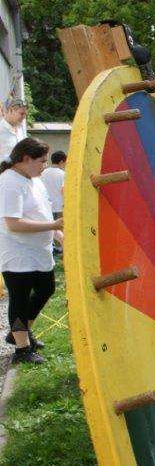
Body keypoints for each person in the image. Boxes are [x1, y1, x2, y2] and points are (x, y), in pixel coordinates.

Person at [0, 138, 63, 364]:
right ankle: (22, 348)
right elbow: (13, 224)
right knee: (20, 298)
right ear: (26, 159)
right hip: (18, 253)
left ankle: (20, 333)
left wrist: (59, 236)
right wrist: (53, 225)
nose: (45, 166)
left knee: (46, 288)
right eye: (41, 161)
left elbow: (41, 213)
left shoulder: (35, 180)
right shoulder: (9, 182)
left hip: (39, 251)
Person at [41, 150, 67, 220]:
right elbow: (63, 190)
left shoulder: (42, 173)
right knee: (59, 226)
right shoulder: (63, 174)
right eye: (65, 162)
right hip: (59, 208)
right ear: (61, 162)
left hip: (45, 206)